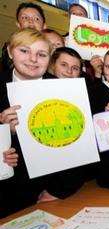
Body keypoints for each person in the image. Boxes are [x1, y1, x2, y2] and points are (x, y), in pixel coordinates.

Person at [0, 29, 58, 215]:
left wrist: (60, 190)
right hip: (6, 192)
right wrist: (3, 132)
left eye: (41, 54)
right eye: (24, 51)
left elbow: (78, 146)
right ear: (10, 51)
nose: (33, 59)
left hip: (50, 190)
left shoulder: (62, 89)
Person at [1, 2, 46, 71]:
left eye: (36, 19)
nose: (30, 21)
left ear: (44, 26)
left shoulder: (52, 46)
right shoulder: (10, 47)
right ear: (18, 24)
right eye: (25, 18)